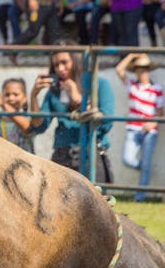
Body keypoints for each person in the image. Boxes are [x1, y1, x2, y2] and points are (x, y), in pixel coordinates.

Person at [30, 50, 114, 182]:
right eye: (56, 65)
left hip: (90, 151)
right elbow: (39, 126)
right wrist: (34, 96)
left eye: (64, 63)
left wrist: (78, 99)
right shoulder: (54, 91)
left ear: (76, 62)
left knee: (93, 199)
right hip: (62, 153)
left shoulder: (99, 84)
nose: (60, 69)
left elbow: (106, 124)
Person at [116, 52, 164, 201]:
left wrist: (152, 123)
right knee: (128, 159)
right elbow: (119, 70)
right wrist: (131, 56)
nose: (141, 71)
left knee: (145, 162)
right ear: (135, 70)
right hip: (133, 128)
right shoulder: (132, 85)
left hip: (150, 130)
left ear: (149, 70)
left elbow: (160, 112)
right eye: (138, 68)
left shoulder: (157, 88)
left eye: (144, 68)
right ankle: (145, 169)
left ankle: (140, 197)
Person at [0, 77, 34, 153]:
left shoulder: (27, 117)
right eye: (7, 95)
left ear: (25, 98)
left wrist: (3, 104)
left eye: (16, 94)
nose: (11, 98)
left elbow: (27, 128)